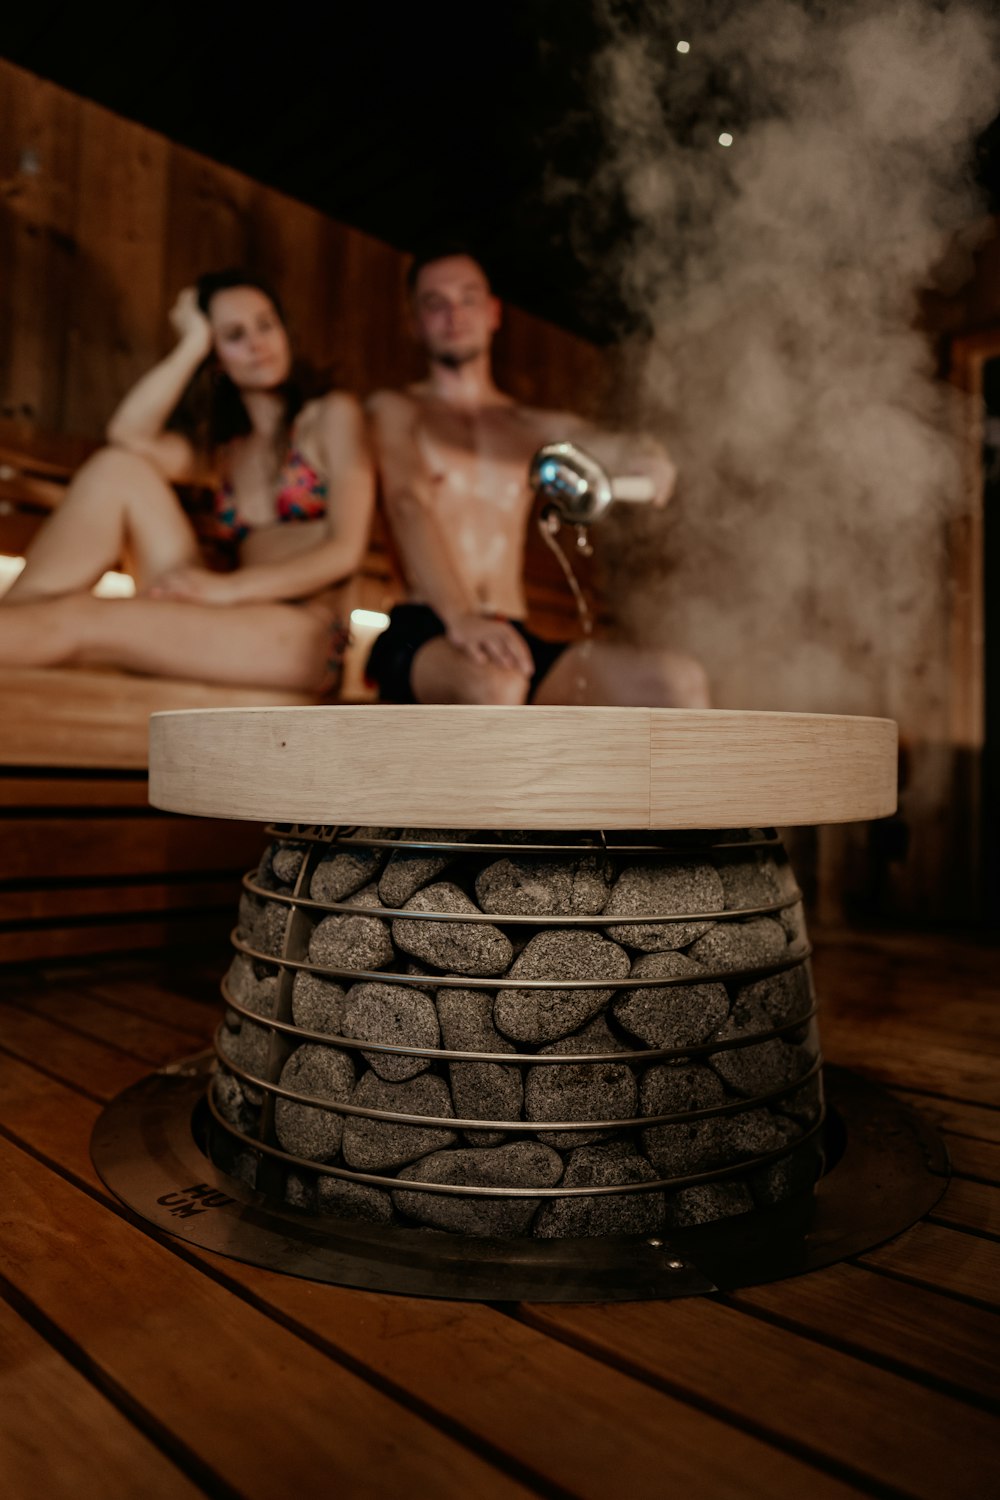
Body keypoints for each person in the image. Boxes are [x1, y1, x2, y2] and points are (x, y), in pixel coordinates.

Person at [0, 270, 375, 692]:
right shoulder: (223, 452)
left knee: (81, 617)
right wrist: (192, 345)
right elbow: (128, 436)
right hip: (223, 616)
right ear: (217, 356)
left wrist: (227, 590)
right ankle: (15, 627)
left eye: (265, 325)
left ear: (285, 331)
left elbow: (346, 550)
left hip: (299, 633)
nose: (257, 343)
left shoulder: (330, 415)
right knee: (117, 468)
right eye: (234, 335)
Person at [365, 248, 709, 707]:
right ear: (414, 322)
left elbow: (616, 445)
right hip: (428, 626)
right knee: (494, 685)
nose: (454, 314)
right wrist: (462, 616)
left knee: (676, 681)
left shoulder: (530, 427)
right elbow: (408, 502)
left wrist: (648, 455)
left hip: (512, 632)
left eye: (468, 299)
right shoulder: (397, 411)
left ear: (493, 314)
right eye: (435, 303)